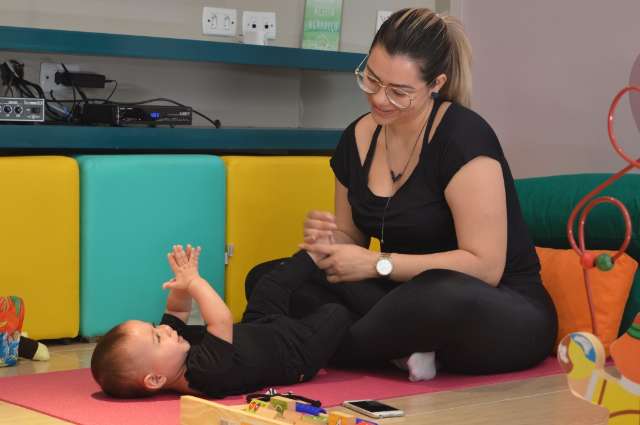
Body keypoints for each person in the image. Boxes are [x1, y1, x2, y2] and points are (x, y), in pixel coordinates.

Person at [245, 7, 558, 381]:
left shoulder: (463, 137)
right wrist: (328, 245)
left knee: (436, 293)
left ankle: (318, 344)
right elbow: (352, 239)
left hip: (495, 307)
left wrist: (378, 264)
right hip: (400, 297)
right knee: (269, 279)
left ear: (436, 84)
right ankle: (400, 349)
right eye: (372, 80)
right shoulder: (356, 139)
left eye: (398, 92)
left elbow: (485, 268)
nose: (379, 99)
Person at [90, 244, 351, 398]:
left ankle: (319, 249)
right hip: (295, 351)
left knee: (268, 284)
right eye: (156, 337)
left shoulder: (174, 353)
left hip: (259, 327)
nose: (164, 329)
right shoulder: (203, 375)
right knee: (335, 313)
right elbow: (221, 320)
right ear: (156, 379)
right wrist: (194, 281)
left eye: (154, 326)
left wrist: (180, 282)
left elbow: (177, 311)